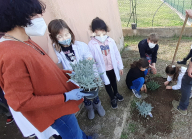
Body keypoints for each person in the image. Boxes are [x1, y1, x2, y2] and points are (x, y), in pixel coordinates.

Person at [0, 0, 98, 138]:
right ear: (20, 16)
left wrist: (72, 74)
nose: (41, 19)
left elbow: (45, 72)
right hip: (55, 112)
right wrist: (65, 96)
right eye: (36, 15)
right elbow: (21, 102)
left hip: (60, 105)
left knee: (75, 129)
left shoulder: (25, 41)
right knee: (72, 134)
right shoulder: (11, 54)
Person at [48, 19, 105, 120]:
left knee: (93, 93)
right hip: (76, 80)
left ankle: (98, 105)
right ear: (54, 38)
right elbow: (54, 61)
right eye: (60, 36)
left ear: (70, 32)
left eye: (66, 34)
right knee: (84, 96)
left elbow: (90, 63)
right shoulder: (58, 51)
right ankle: (89, 109)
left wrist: (96, 76)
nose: (65, 38)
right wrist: (49, 42)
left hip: (89, 78)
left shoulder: (81, 46)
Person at [88, 17, 124, 109]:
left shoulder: (111, 41)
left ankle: (116, 93)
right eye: (98, 31)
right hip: (102, 69)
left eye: (103, 31)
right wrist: (96, 74)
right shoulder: (91, 44)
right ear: (93, 31)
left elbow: (116, 54)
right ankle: (112, 98)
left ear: (106, 30)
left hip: (112, 66)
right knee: (107, 83)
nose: (101, 34)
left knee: (113, 81)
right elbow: (92, 61)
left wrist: (120, 66)